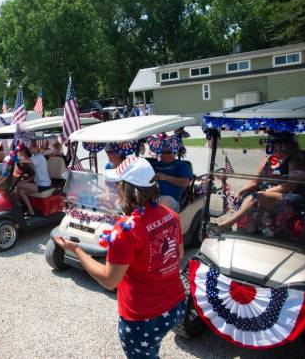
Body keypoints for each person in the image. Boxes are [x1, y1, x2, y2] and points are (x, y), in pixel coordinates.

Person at [55, 157, 185, 358]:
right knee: (152, 349)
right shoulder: (170, 215)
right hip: (175, 306)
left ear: (127, 189)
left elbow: (109, 280)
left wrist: (77, 250)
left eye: (117, 184)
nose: (115, 188)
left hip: (143, 318)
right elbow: (179, 254)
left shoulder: (125, 231)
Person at [218, 139, 305, 229]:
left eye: (281, 147)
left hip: (288, 196)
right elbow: (255, 181)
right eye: (275, 147)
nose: (277, 150)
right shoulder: (267, 160)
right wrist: (240, 191)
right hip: (264, 193)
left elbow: (290, 185)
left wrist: (265, 191)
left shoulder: (293, 161)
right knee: (248, 196)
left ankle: (229, 223)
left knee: (258, 196)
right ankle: (248, 231)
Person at [151, 145, 192, 212]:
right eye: (163, 152)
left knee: (165, 201)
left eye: (169, 152)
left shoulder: (182, 165)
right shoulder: (153, 165)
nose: (166, 155)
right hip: (151, 196)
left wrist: (165, 177)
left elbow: (185, 183)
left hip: (171, 200)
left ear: (175, 152)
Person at [16, 141, 51, 215]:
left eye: (31, 147)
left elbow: (23, 160)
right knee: (22, 191)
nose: (30, 149)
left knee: (19, 185)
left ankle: (16, 207)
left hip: (43, 185)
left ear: (36, 148)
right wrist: (26, 181)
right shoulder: (37, 157)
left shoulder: (38, 157)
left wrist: (16, 155)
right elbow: (36, 174)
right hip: (41, 183)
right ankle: (31, 210)